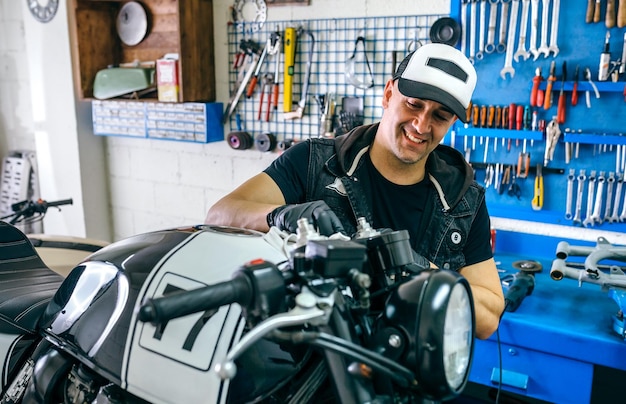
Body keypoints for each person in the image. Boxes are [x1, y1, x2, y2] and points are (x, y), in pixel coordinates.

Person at [206, 43, 505, 339]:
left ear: (452, 121)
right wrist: (285, 216)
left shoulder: (463, 200)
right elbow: (220, 214)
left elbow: (489, 317)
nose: (421, 124)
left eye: (440, 116)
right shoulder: (313, 163)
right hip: (314, 363)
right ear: (388, 94)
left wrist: (424, 272)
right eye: (413, 104)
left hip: (408, 370)